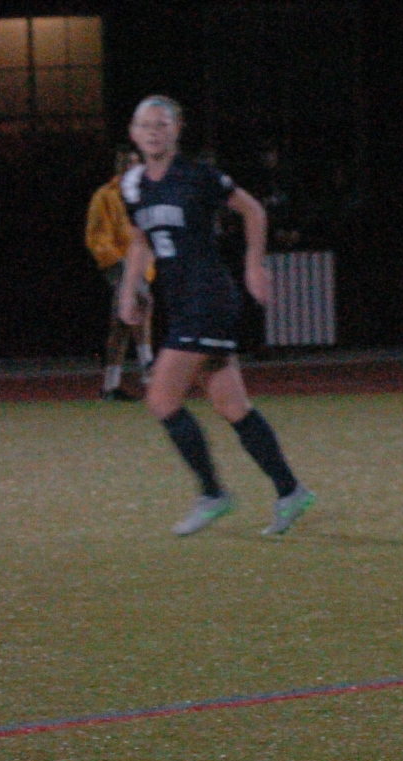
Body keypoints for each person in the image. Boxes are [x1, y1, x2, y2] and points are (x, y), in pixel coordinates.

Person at [114, 96, 318, 537]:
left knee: (161, 399)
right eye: (145, 125)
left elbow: (253, 210)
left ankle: (212, 494)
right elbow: (139, 240)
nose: (153, 132)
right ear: (133, 133)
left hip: (208, 299)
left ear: (177, 130)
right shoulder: (132, 185)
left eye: (162, 124)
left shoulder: (198, 176)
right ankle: (290, 490)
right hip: (180, 302)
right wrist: (129, 289)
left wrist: (253, 265)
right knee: (231, 405)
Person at [86, 151, 153, 399]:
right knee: (143, 302)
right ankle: (148, 370)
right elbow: (97, 236)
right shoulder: (105, 195)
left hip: (140, 264)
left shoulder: (143, 195)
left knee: (121, 324)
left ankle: (110, 386)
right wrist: (120, 261)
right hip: (116, 263)